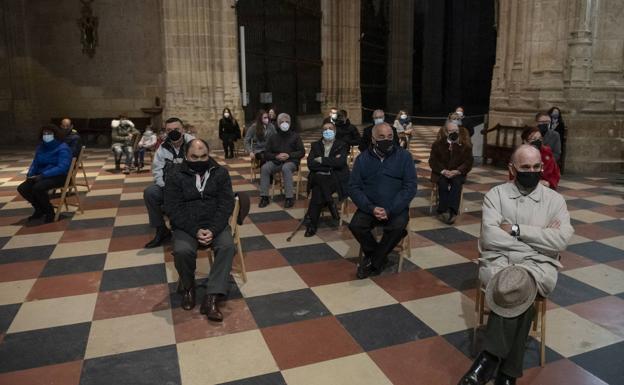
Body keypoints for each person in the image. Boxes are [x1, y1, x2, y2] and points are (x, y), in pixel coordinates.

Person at [457, 144, 573, 385]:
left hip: (538, 265)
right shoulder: (496, 195)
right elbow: (490, 237)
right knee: (517, 289)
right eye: (525, 167)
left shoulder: (555, 200)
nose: (532, 171)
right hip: (500, 262)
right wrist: (540, 239)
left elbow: (561, 240)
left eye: (537, 166)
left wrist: (517, 231)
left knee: (518, 286)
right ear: (512, 168)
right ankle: (508, 374)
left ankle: (488, 358)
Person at [164, 139, 236, 322]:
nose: (199, 160)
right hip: (187, 226)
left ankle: (212, 296)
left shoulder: (220, 173)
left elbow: (226, 204)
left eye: (203, 156)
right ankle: (188, 287)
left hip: (215, 224)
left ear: (209, 153)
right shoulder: (174, 175)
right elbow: (173, 208)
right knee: (182, 251)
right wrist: (195, 230)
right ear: (186, 156)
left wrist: (212, 229)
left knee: (227, 246)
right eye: (194, 157)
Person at [349, 123, 417, 279]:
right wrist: (370, 208)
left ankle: (373, 261)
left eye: (389, 137)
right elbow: (353, 187)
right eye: (381, 137)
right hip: (370, 206)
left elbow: (410, 187)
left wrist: (391, 209)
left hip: (395, 207)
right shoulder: (362, 159)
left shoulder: (404, 156)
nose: (386, 140)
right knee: (356, 225)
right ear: (373, 139)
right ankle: (380, 257)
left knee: (398, 227)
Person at [143, 117, 195, 248]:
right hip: (168, 187)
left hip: (191, 187)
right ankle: (161, 230)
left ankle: (186, 231)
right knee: (150, 192)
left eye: (176, 129)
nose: (173, 132)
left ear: (183, 130)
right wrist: (165, 187)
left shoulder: (194, 145)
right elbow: (157, 170)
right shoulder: (163, 147)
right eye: (169, 130)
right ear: (166, 132)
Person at [18, 124, 72, 223]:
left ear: (55, 134)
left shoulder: (62, 147)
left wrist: (44, 175)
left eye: (49, 133)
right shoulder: (41, 147)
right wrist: (30, 174)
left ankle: (49, 212)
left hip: (59, 176)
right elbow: (35, 163)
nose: (46, 135)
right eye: (44, 133)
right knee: (22, 188)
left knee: (38, 188)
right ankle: (39, 209)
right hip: (41, 175)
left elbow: (62, 167)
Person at [304, 122, 350, 236]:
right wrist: (330, 164)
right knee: (320, 180)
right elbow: (311, 164)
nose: (327, 131)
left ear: (334, 131)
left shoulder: (342, 145)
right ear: (322, 131)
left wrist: (322, 160)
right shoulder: (315, 145)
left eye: (330, 128)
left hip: (335, 178)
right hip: (320, 176)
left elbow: (340, 163)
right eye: (325, 129)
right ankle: (330, 203)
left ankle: (312, 223)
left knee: (318, 190)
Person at [428, 120, 473, 224]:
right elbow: (432, 161)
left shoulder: (465, 145)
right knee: (442, 183)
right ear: (446, 132)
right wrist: (443, 171)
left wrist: (457, 171)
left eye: (456, 130)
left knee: (456, 183)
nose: (454, 133)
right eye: (451, 131)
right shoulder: (438, 144)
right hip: (442, 172)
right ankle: (443, 210)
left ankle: (452, 210)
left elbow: (468, 162)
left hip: (457, 173)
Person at [258, 113, 305, 209]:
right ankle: (264, 197)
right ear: (278, 124)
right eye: (282, 122)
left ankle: (289, 198)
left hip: (291, 162)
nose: (284, 123)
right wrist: (276, 156)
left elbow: (302, 152)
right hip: (276, 161)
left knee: (286, 168)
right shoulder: (273, 137)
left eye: (286, 122)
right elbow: (266, 154)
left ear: (290, 123)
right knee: (265, 168)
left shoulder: (295, 136)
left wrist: (289, 155)